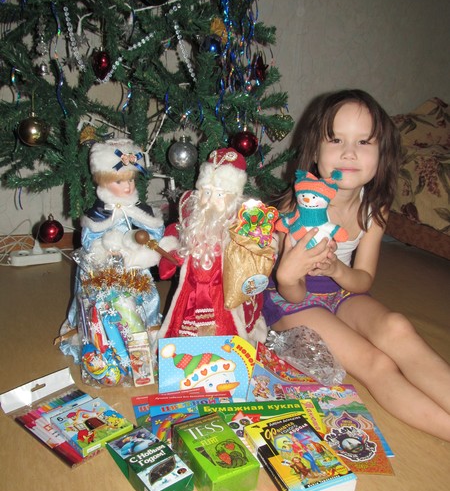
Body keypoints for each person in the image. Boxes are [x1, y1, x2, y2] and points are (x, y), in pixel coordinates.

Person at [263, 89, 450, 441]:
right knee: (375, 362)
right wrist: (288, 274)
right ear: (314, 151)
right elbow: (289, 289)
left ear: (382, 154)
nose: (349, 152)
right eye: (336, 140)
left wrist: (337, 270)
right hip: (290, 299)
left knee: (397, 326)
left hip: (340, 289)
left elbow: (362, 280)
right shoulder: (294, 208)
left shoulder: (374, 209)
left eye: (364, 142)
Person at [59, 138, 176, 372]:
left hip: (133, 266)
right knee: (99, 300)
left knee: (142, 296)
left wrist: (140, 244)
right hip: (103, 269)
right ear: (103, 181)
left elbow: (154, 231)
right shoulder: (98, 213)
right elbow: (88, 242)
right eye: (120, 181)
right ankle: (100, 338)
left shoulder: (138, 207)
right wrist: (104, 250)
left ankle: (143, 336)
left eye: (131, 180)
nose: (128, 187)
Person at [158, 147, 268, 344]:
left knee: (226, 335)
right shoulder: (191, 218)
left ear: (233, 199)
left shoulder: (241, 224)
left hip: (223, 294)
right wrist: (172, 253)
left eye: (219, 195)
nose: (209, 200)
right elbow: (173, 237)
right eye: (206, 192)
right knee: (182, 332)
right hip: (190, 291)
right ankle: (185, 353)